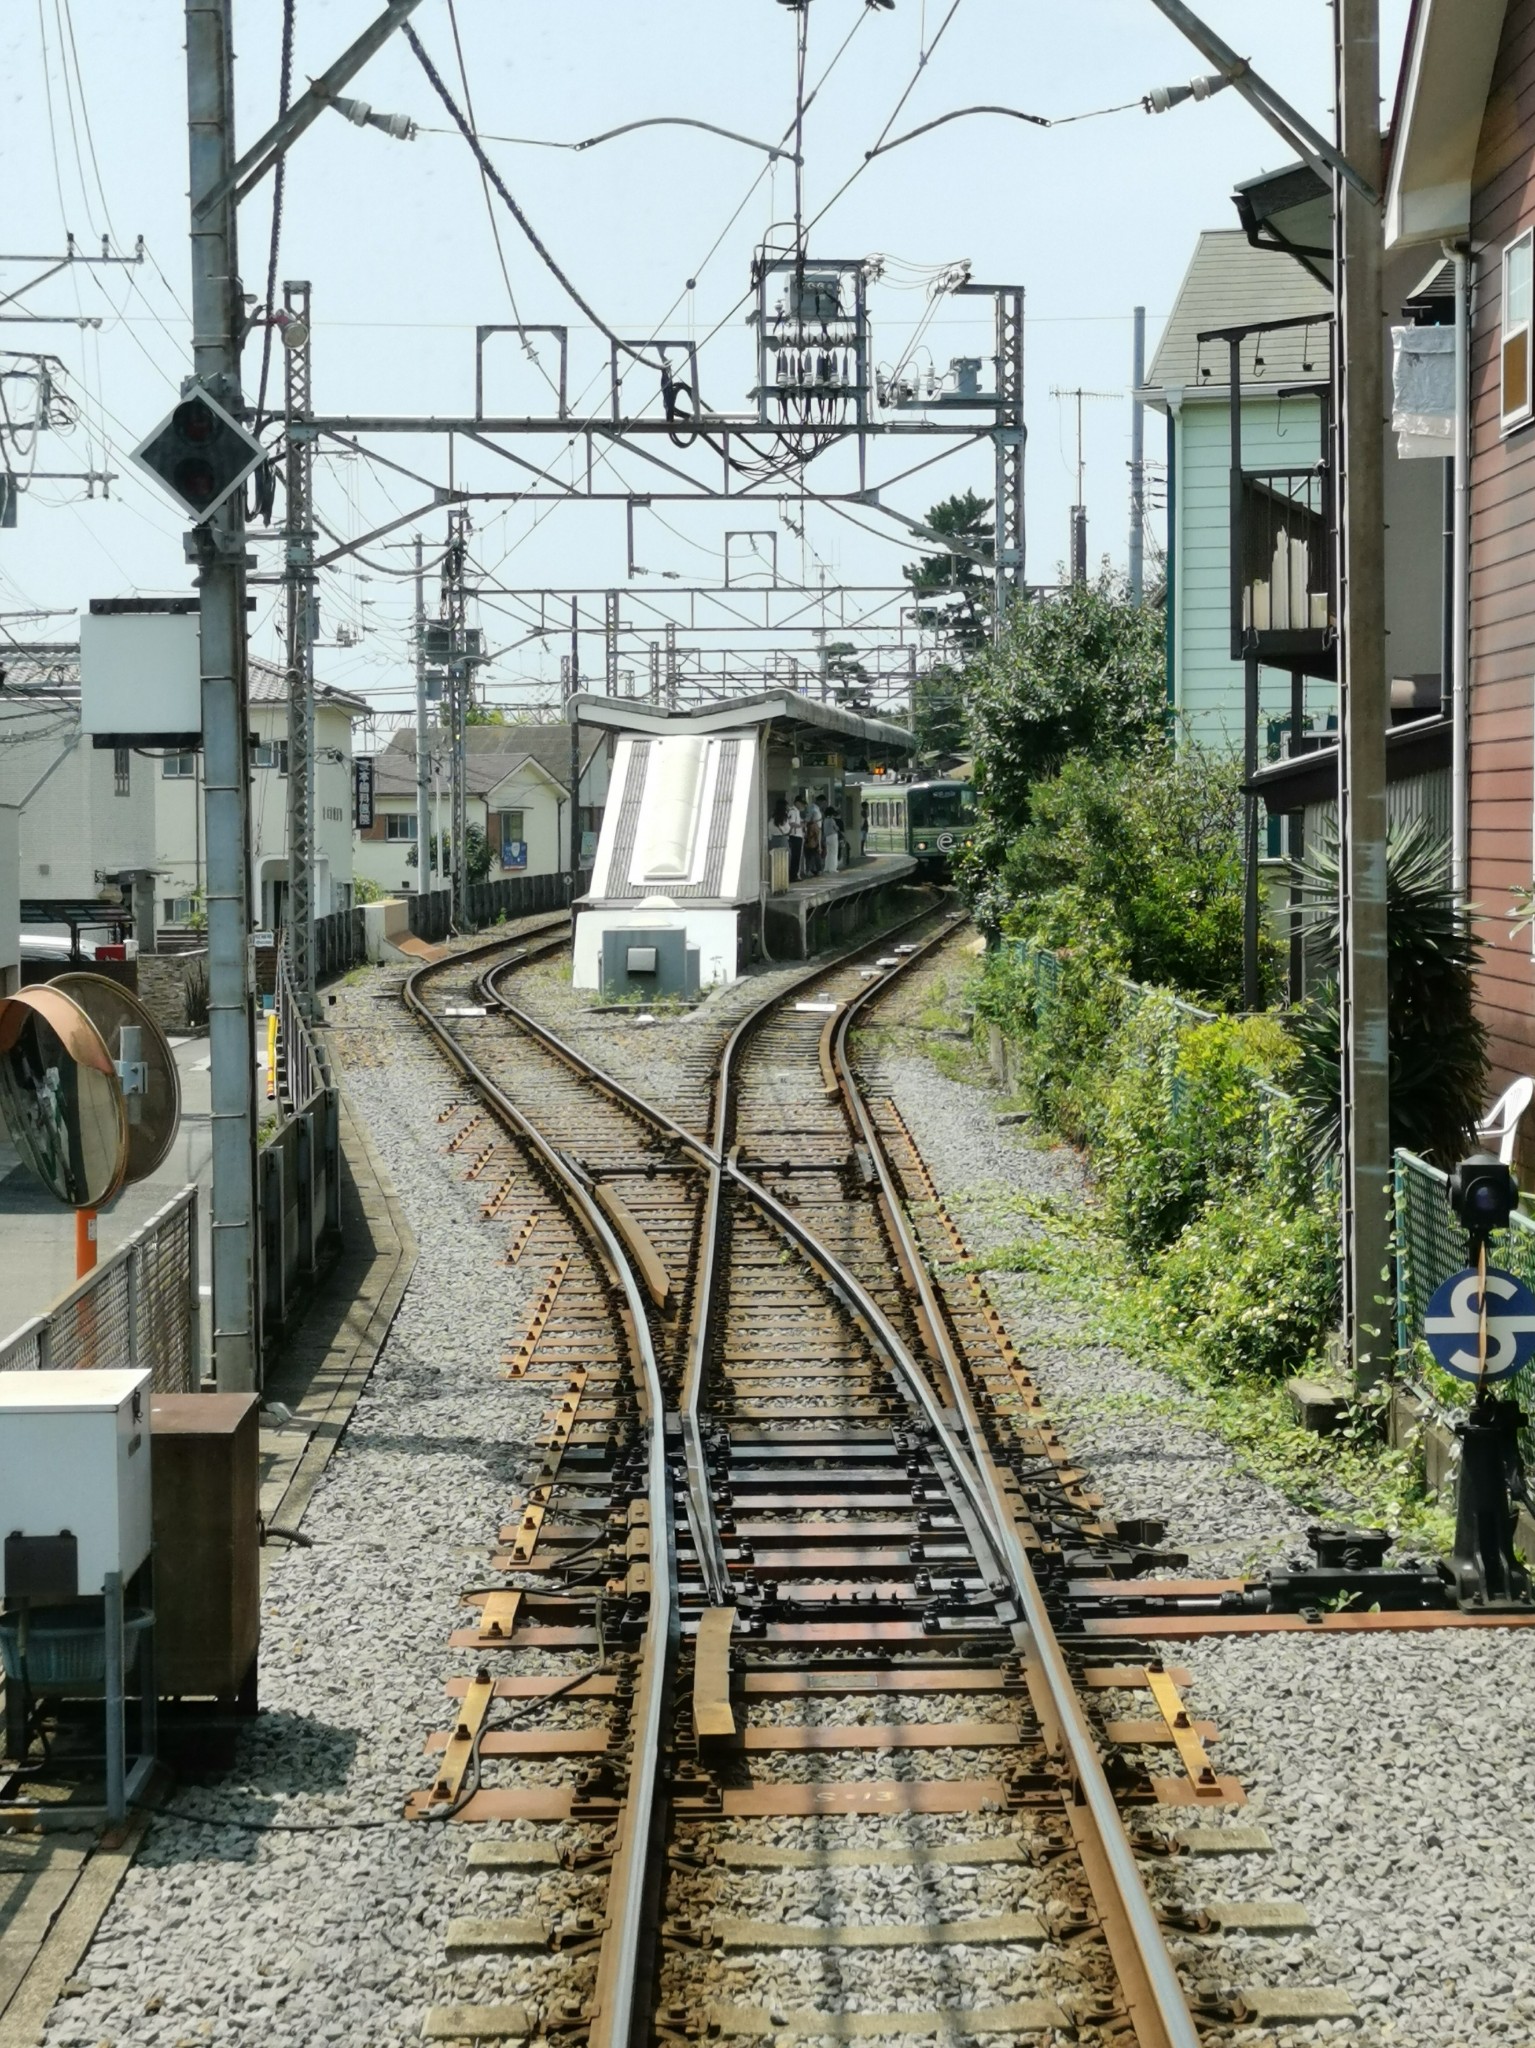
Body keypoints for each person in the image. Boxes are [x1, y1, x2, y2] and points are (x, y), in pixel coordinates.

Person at [803, 791, 823, 877]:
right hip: (813, 831)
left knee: (815, 851)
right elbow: (808, 819)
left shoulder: (816, 809)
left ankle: (815, 869)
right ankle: (813, 869)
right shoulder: (813, 808)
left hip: (816, 830)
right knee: (814, 851)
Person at [784, 793, 804, 881]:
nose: (802, 805)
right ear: (797, 802)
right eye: (801, 803)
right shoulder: (793, 811)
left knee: (797, 856)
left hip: (798, 835)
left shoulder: (797, 811)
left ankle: (795, 874)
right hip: (795, 836)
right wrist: (801, 826)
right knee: (795, 857)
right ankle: (793, 875)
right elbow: (791, 823)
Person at [821, 805, 841, 875]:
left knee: (828, 853)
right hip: (833, 836)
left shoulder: (825, 820)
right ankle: (833, 868)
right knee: (834, 852)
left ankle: (826, 868)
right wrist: (838, 827)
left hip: (827, 837)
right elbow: (836, 828)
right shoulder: (832, 820)